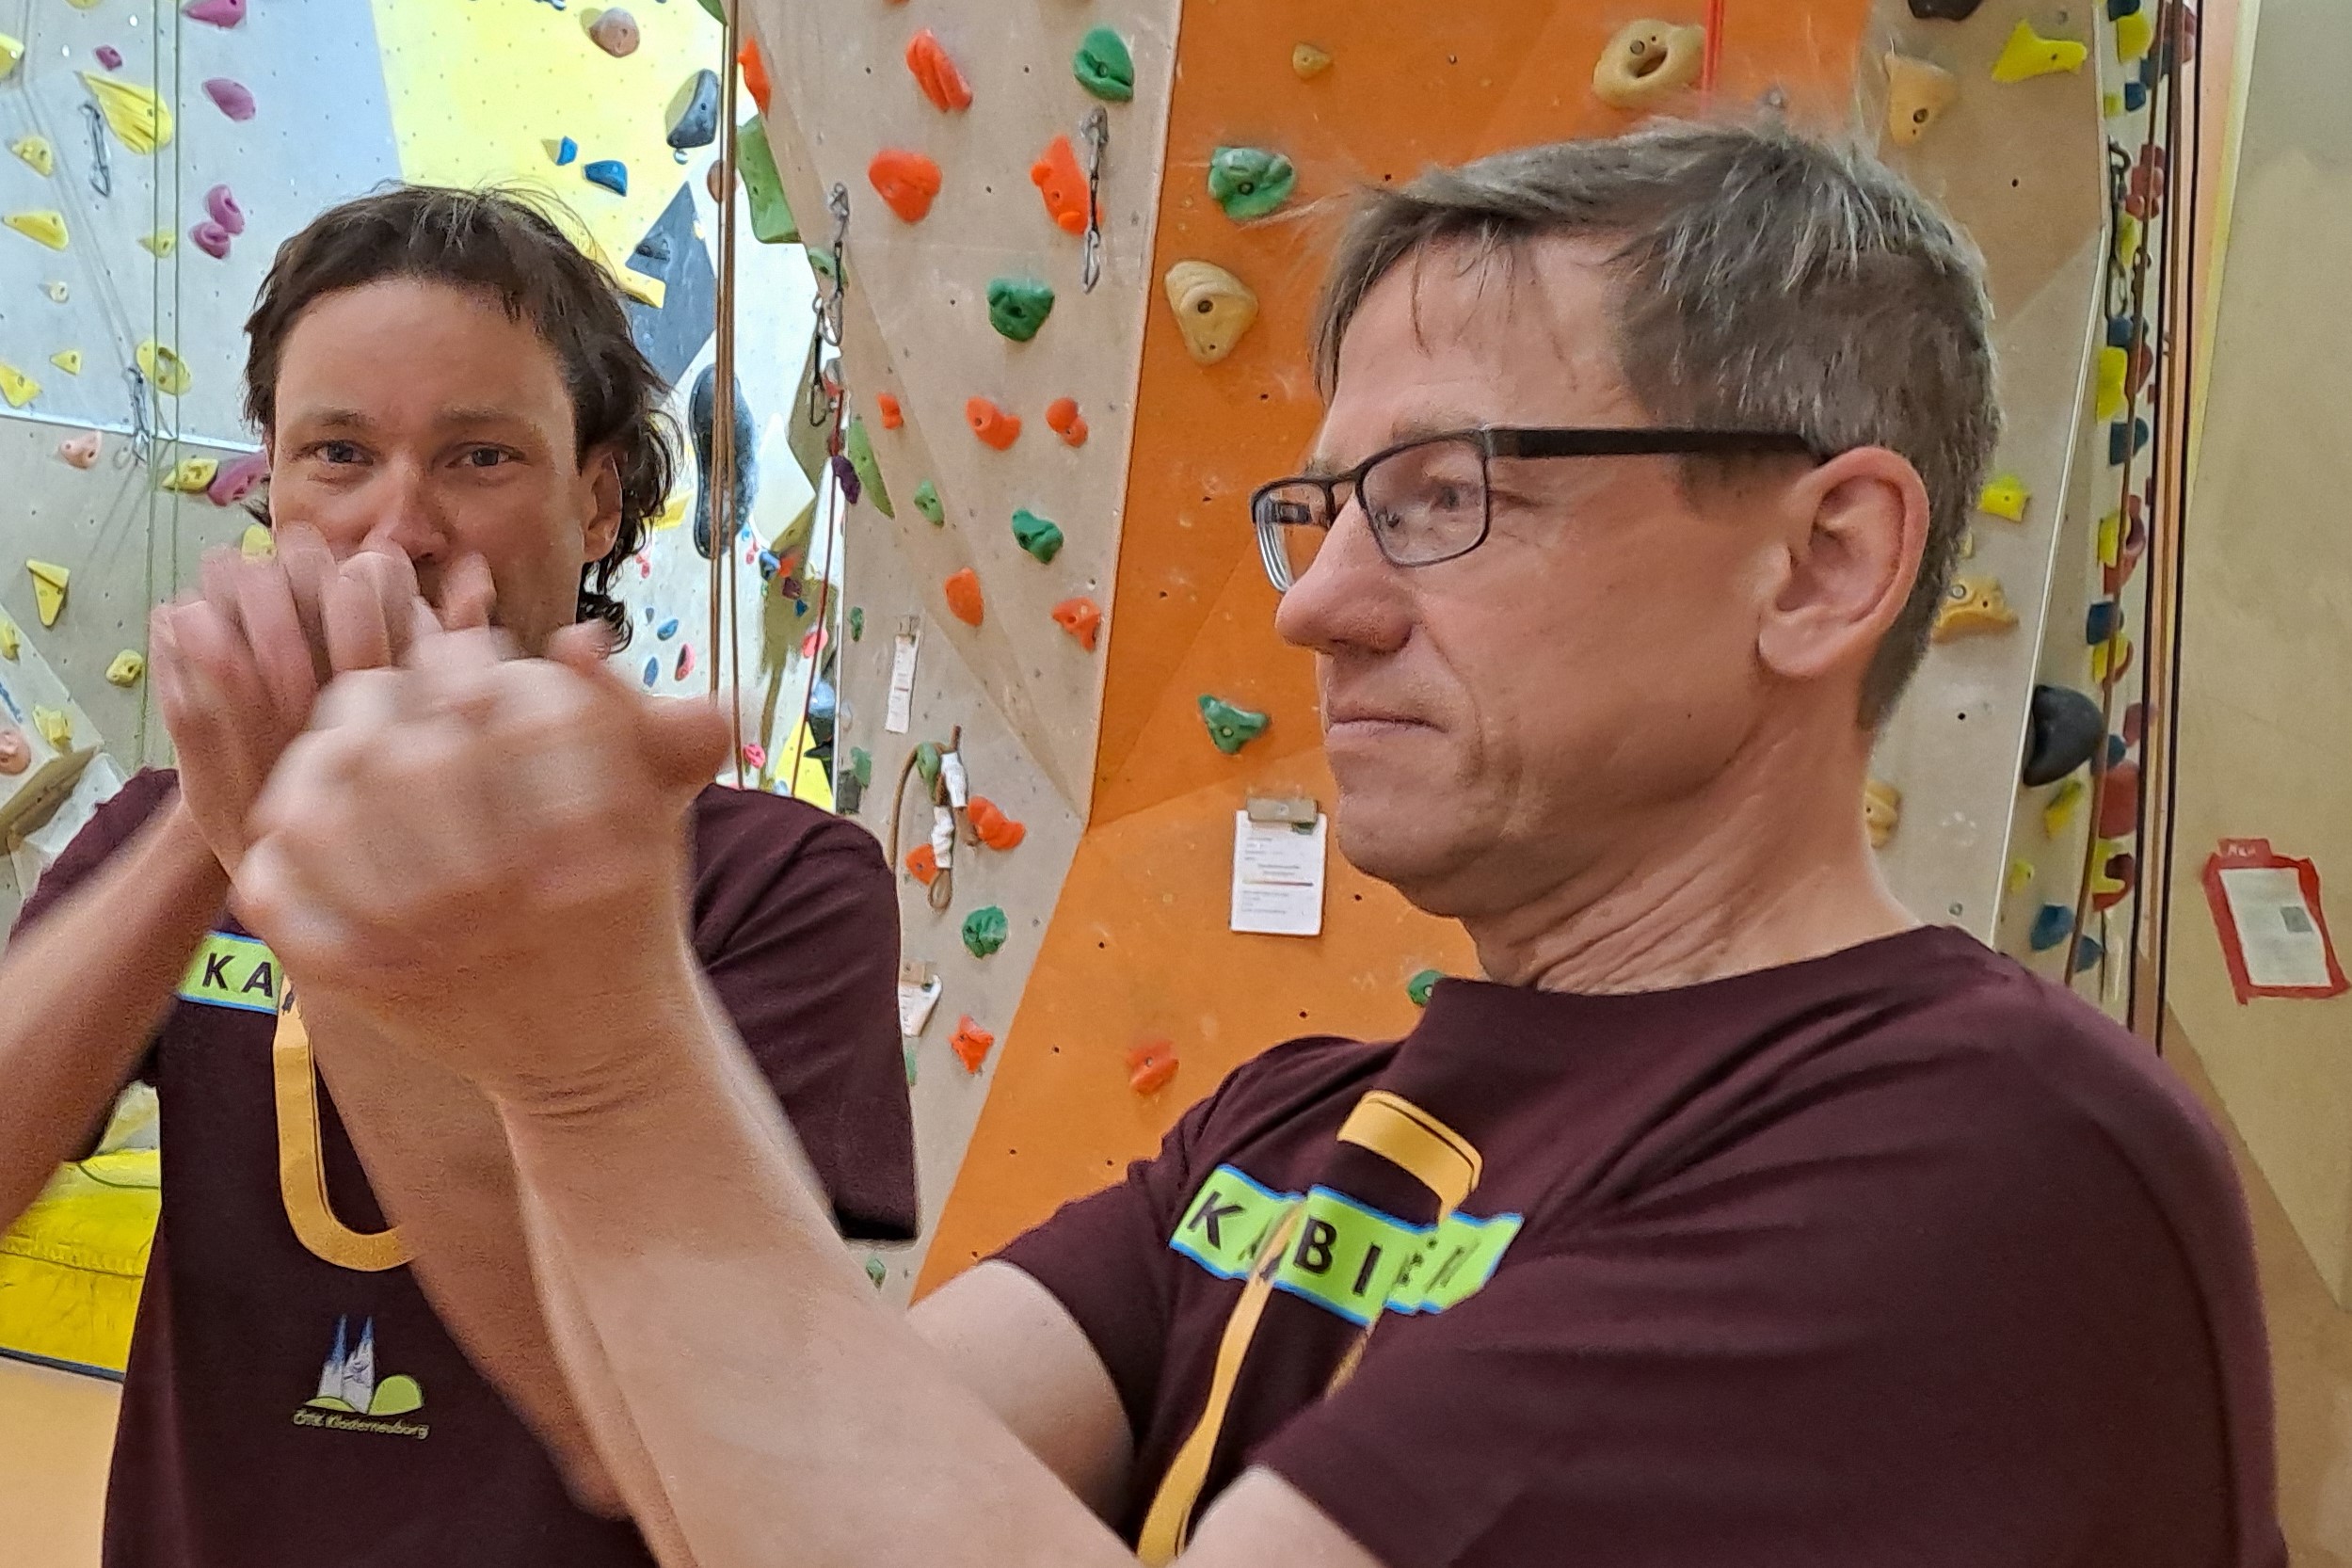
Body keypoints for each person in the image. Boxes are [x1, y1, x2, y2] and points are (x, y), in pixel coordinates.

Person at [217, 123, 2283, 1566]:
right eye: (1324, 509)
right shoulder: (1289, 1125)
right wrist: (427, 975)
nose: (1321, 607)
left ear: (1821, 561)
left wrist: (604, 1052)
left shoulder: (1978, 1149)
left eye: (1445, 495)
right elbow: (710, 1467)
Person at [0, 187, 917, 1568]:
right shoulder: (172, 829)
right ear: (272, 484)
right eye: (337, 454)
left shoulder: (772, 880)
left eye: (478, 457)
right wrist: (213, 827)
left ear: (597, 500)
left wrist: (292, 852)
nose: (398, 528)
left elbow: (627, 1431)